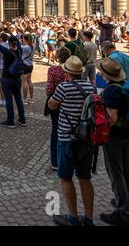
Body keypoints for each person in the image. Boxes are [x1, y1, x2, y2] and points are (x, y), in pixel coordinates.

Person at [48, 56, 96, 226]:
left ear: (67, 72)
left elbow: (52, 105)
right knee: (85, 178)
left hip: (66, 137)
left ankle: (73, 217)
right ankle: (89, 218)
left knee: (66, 178)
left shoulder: (64, 87)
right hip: (85, 139)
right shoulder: (90, 87)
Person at [96, 58, 129, 226]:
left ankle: (122, 211)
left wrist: (101, 127)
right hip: (127, 133)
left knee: (115, 171)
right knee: (125, 169)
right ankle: (125, 203)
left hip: (115, 135)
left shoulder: (111, 91)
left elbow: (113, 118)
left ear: (106, 74)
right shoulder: (124, 85)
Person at [45, 47, 71, 172]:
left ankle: (55, 161)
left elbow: (49, 89)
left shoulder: (53, 70)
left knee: (55, 130)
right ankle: (69, 158)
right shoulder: (72, 70)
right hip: (70, 102)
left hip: (56, 101)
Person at [0, 33, 26, 128]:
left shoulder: (6, 52)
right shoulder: (19, 50)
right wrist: (11, 34)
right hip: (17, 79)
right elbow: (18, 42)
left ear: (9, 43)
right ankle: (22, 119)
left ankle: (10, 120)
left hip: (7, 78)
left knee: (9, 100)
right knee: (19, 99)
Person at [21, 34, 35, 104]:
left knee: (24, 81)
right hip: (30, 65)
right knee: (29, 81)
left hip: (24, 65)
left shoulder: (25, 47)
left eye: (23, 38)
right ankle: (31, 98)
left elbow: (17, 47)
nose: (22, 40)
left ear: (25, 39)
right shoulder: (33, 46)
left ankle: (25, 99)